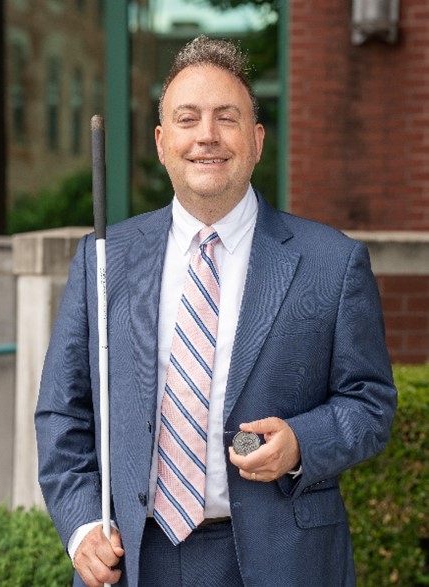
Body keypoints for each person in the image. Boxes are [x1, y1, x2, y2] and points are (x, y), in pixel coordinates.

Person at [35, 35, 397, 587]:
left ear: (255, 141)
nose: (207, 135)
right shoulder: (104, 258)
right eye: (188, 118)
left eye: (226, 118)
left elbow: (371, 403)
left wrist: (302, 442)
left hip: (283, 560)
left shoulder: (332, 262)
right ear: (162, 143)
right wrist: (84, 525)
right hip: (135, 559)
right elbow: (64, 413)